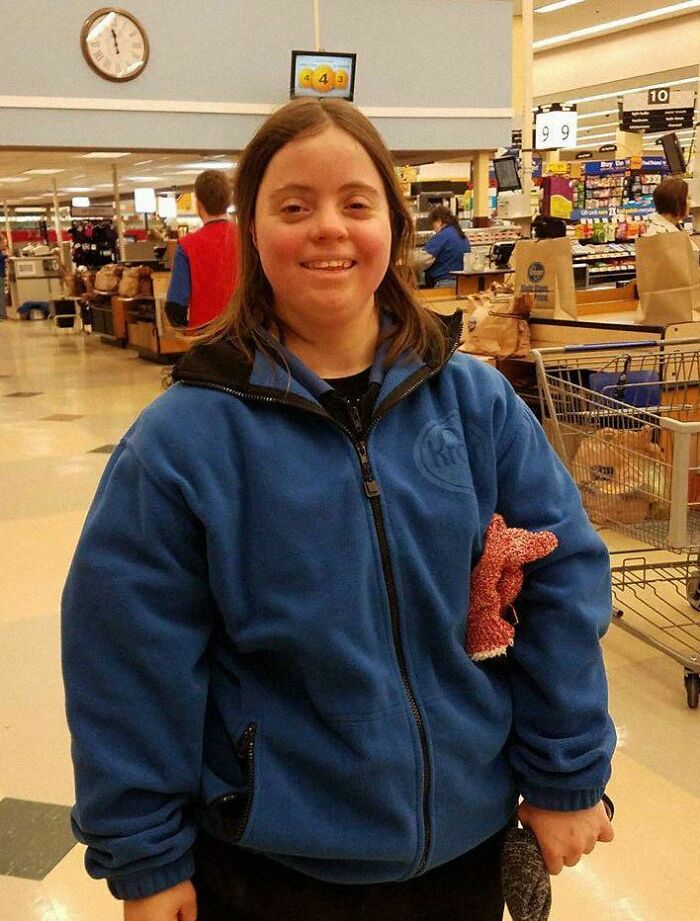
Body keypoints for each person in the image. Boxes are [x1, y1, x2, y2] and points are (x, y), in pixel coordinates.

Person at [62, 98, 615, 921]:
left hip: (461, 849)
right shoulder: (183, 440)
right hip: (271, 865)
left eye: (356, 204)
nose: (328, 227)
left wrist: (568, 771)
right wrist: (143, 854)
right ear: (254, 230)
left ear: (392, 224)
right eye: (294, 206)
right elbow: (127, 656)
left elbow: (560, 576)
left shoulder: (474, 406)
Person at [164, 169, 240, 329]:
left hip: (205, 338)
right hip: (247, 335)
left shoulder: (187, 246)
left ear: (198, 204)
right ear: (228, 202)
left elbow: (174, 307)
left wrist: (189, 333)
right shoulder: (249, 239)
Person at [416, 205, 471, 288]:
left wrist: (408, 260)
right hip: (461, 283)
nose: (434, 229)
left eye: (433, 225)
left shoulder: (443, 235)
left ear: (439, 221)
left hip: (444, 283)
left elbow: (423, 260)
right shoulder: (461, 235)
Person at [645, 177, 699, 256]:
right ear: (676, 202)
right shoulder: (659, 235)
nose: (692, 203)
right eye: (688, 198)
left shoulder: (674, 228)